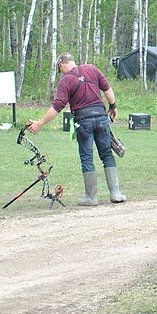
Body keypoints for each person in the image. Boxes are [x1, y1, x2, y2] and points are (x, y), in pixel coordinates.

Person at [28, 52, 124, 206]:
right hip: (101, 118)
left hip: (83, 121)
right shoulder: (92, 69)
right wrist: (113, 106)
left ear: (61, 65)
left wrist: (40, 123)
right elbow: (107, 89)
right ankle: (116, 194)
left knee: (87, 158)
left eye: (60, 70)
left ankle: (91, 198)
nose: (61, 73)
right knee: (106, 154)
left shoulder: (66, 80)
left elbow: (57, 107)